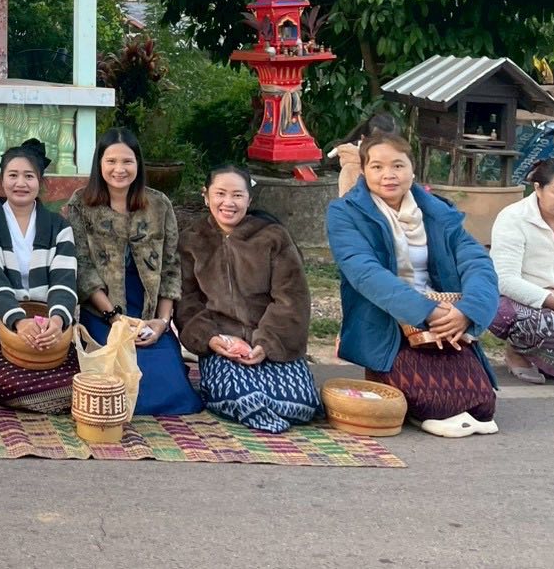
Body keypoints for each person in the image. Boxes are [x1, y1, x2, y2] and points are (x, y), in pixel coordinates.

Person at [326, 132, 499, 437]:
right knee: (436, 402)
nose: (388, 175)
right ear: (363, 171)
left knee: (483, 405)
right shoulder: (345, 212)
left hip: (444, 320)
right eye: (377, 166)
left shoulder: (437, 212)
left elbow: (477, 263)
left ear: (412, 169)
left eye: (398, 165)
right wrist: (426, 311)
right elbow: (364, 272)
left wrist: (467, 312)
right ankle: (399, 389)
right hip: (386, 320)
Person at [66, 128, 202, 416]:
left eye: (127, 161)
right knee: (122, 386)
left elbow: (170, 267)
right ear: (99, 164)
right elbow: (84, 270)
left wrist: (162, 322)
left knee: (176, 392)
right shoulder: (81, 204)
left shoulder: (159, 204)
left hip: (148, 312)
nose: (119, 169)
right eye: (111, 161)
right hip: (104, 312)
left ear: (138, 164)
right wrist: (116, 319)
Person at [177, 165, 319, 433]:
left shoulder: (273, 237)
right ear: (206, 196)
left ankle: (268, 406)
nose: (228, 203)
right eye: (220, 194)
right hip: (224, 343)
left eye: (237, 195)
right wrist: (212, 339)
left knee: (300, 404)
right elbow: (187, 302)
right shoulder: (191, 241)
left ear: (249, 200)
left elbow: (292, 298)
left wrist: (265, 344)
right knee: (241, 398)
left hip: (273, 341)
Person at [0, 138, 79, 414]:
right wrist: (19, 322)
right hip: (0, 329)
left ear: (40, 181)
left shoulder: (59, 226)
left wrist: (57, 321)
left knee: (77, 383)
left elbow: (65, 280)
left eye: (29, 176)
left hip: (48, 328)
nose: (21, 183)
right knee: (8, 383)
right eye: (13, 175)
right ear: (2, 180)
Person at [488, 159, 554, 382]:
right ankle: (517, 352)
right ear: (538, 188)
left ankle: (546, 362)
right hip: (518, 299)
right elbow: (505, 280)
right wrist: (552, 299)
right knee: (547, 324)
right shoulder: (514, 217)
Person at [331, 110, 400, 196]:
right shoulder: (352, 169)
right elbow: (348, 202)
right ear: (363, 139)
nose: (384, 150)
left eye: (391, 144)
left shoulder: (399, 165)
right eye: (377, 144)